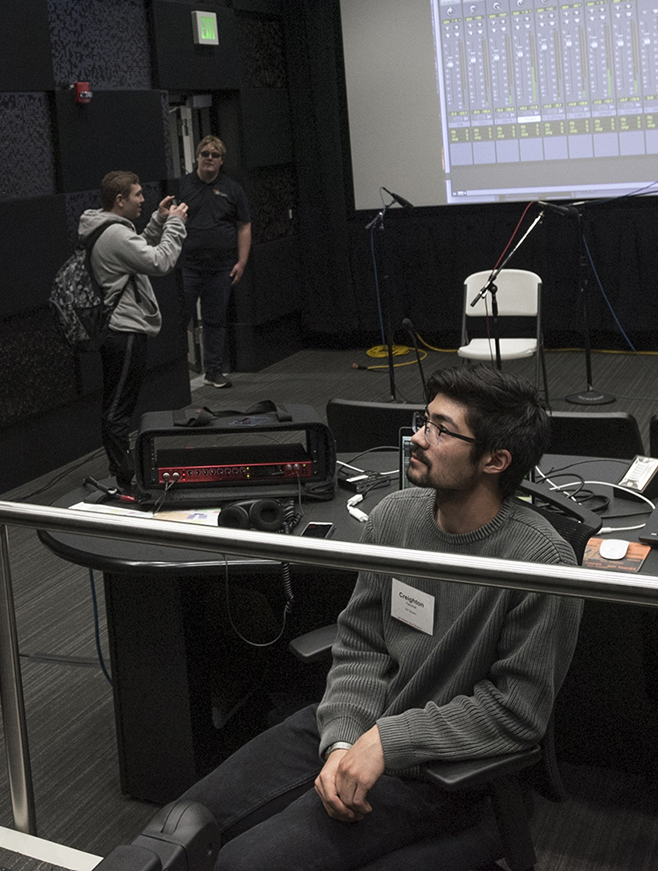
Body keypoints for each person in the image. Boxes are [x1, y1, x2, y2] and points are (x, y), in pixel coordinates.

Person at [176, 365, 581, 871]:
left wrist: (389, 742)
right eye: (424, 420)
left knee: (240, 865)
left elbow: (516, 713)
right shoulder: (396, 516)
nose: (418, 437)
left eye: (440, 429)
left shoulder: (541, 563)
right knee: (182, 829)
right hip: (355, 729)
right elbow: (362, 643)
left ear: (496, 459)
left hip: (442, 773)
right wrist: (344, 739)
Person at [78, 171, 187, 486]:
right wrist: (175, 223)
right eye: (138, 195)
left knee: (118, 404)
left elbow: (136, 250)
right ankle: (124, 476)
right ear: (120, 199)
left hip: (120, 330)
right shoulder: (114, 234)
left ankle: (122, 471)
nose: (143, 199)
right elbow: (158, 262)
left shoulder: (108, 230)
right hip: (123, 331)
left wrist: (157, 220)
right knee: (117, 410)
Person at [174, 135, 251, 389]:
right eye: (205, 153)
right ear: (197, 157)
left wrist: (241, 261)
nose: (209, 158)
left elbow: (244, 226)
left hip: (221, 267)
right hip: (187, 267)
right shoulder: (182, 186)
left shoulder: (232, 188)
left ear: (221, 160)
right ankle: (175, 374)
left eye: (215, 155)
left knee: (215, 320)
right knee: (178, 320)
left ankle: (213, 371)